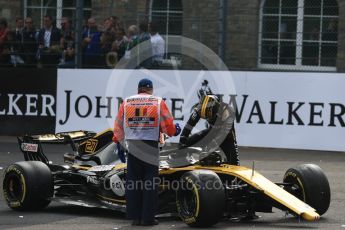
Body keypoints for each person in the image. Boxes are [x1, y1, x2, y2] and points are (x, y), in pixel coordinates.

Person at [112, 78, 181, 226]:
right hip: (150, 147)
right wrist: (176, 130)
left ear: (138, 89)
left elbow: (118, 125)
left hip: (133, 147)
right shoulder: (157, 102)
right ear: (150, 90)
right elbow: (168, 126)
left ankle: (135, 218)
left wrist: (118, 143)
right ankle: (148, 218)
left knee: (133, 182)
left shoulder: (127, 102)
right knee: (150, 183)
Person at [179, 94, 240, 165]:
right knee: (185, 143)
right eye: (206, 117)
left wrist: (207, 150)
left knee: (234, 164)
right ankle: (182, 160)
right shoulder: (199, 108)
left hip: (226, 137)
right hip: (211, 132)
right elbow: (189, 125)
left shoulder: (228, 111)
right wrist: (182, 141)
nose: (209, 118)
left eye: (211, 116)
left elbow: (222, 135)